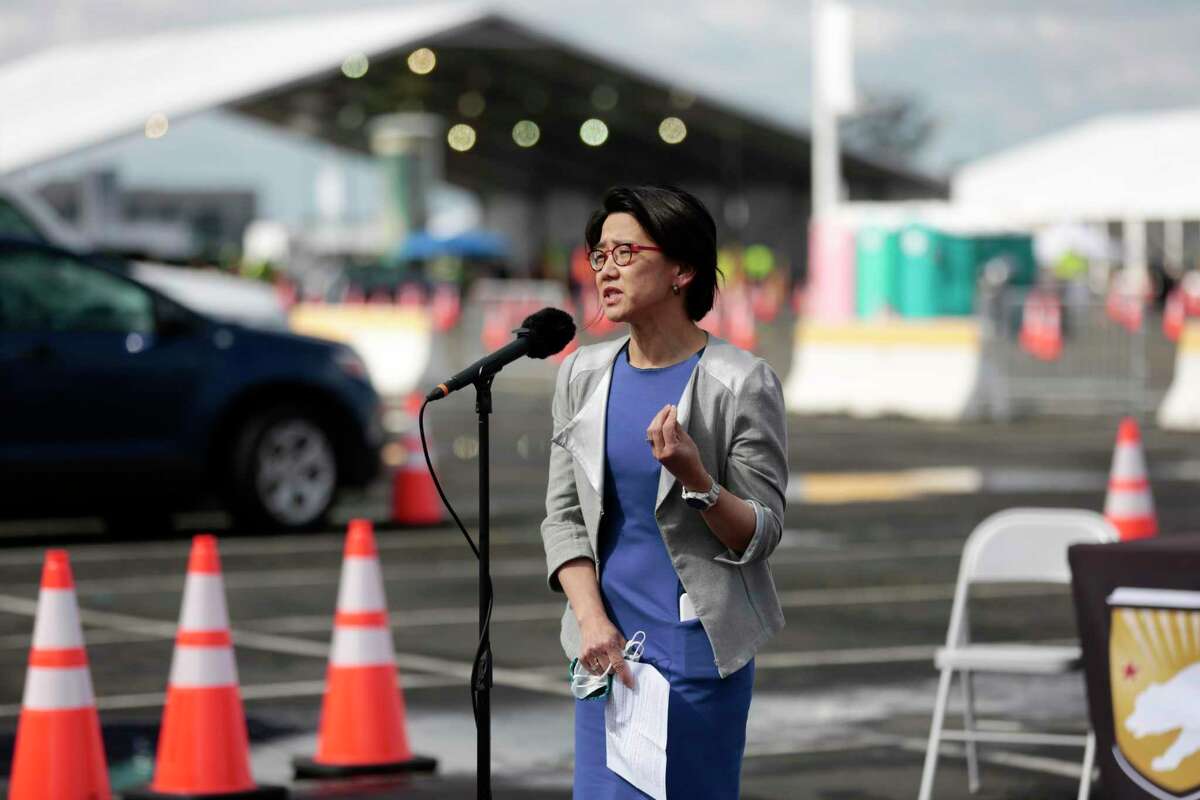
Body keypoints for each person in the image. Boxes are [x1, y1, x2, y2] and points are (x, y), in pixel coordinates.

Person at [540, 184, 788, 798]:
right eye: (599, 255)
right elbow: (563, 517)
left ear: (681, 269)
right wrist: (592, 621)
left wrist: (697, 480)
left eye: (625, 252)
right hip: (605, 656)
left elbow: (761, 533)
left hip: (697, 660)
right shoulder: (581, 374)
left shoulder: (740, 383)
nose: (606, 269)